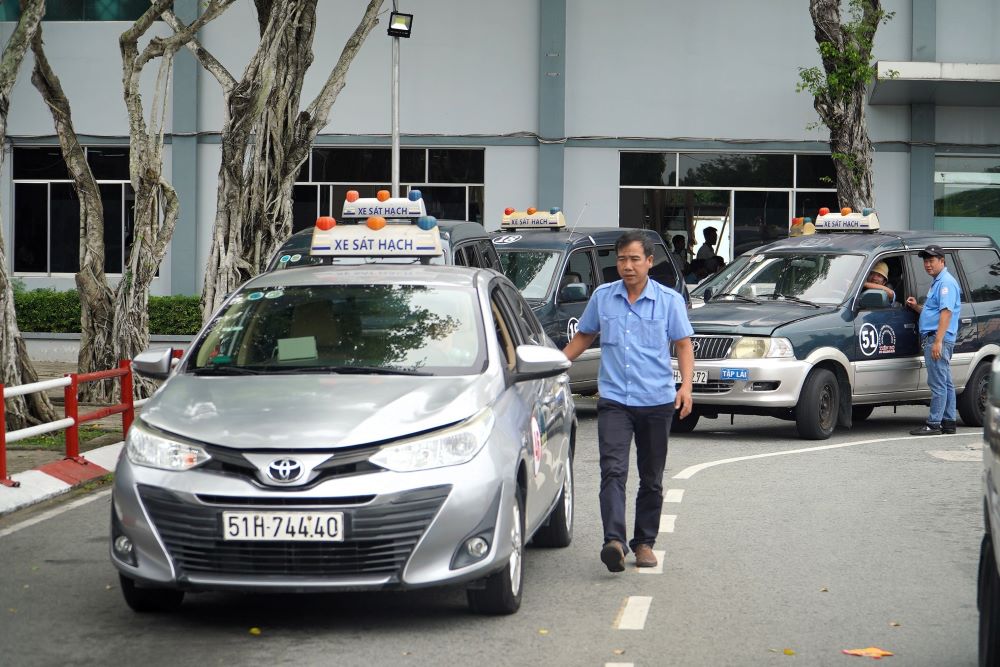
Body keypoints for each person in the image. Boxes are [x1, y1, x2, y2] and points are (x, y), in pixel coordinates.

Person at [562, 230, 695, 572]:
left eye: (635, 259)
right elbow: (584, 335)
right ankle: (614, 542)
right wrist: (557, 366)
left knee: (651, 477)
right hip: (615, 400)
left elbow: (683, 345)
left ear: (649, 262)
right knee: (613, 471)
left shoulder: (669, 301)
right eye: (622, 259)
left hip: (656, 401)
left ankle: (645, 544)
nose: (627, 266)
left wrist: (686, 387)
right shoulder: (603, 297)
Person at [905, 245, 961, 436]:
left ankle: (934, 423)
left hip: (938, 339)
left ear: (942, 261)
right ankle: (948, 422)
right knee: (945, 383)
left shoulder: (945, 283)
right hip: (938, 337)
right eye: (925, 261)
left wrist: (938, 341)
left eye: (931, 261)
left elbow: (946, 313)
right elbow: (935, 312)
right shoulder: (938, 282)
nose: (927, 265)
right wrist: (917, 308)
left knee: (937, 383)